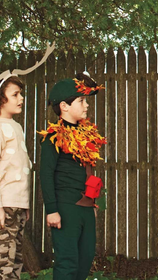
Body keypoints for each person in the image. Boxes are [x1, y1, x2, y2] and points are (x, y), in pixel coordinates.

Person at [0, 43, 53, 280]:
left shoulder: (16, 127)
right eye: (15, 94)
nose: (21, 99)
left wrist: (23, 205)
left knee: (13, 263)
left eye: (21, 94)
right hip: (1, 207)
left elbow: (20, 169)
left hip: (15, 207)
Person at [39, 72, 106, 280]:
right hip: (65, 208)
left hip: (85, 207)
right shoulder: (53, 137)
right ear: (64, 106)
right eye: (81, 101)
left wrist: (92, 202)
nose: (86, 106)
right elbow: (46, 173)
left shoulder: (87, 134)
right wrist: (51, 210)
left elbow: (88, 172)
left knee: (85, 261)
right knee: (67, 262)